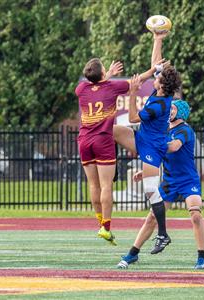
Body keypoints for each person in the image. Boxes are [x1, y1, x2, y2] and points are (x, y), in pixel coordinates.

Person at [117, 100, 204, 269]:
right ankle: (132, 254)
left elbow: (174, 147)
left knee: (195, 215)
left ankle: (201, 259)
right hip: (169, 181)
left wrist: (152, 146)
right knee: (152, 217)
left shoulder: (185, 130)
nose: (169, 111)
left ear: (180, 112)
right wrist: (145, 172)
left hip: (188, 181)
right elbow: (159, 156)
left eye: (172, 108)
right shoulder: (164, 130)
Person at [113, 31, 182, 254]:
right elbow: (156, 64)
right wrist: (158, 39)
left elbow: (133, 118)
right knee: (111, 130)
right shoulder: (163, 90)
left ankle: (162, 234)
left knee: (151, 191)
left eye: (158, 79)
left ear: (162, 86)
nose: (155, 78)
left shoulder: (159, 105)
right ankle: (111, 171)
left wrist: (133, 93)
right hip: (143, 139)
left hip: (153, 147)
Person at [76, 59, 126, 245]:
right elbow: (138, 79)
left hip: (84, 141)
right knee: (106, 186)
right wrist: (156, 68)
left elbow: (94, 84)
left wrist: (106, 74)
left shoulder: (81, 89)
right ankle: (106, 227)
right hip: (102, 140)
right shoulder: (112, 87)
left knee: (93, 185)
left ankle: (100, 224)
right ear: (103, 74)